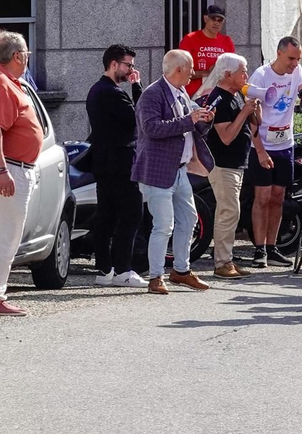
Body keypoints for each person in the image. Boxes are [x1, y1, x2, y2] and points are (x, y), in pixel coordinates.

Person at [133, 49, 216, 295]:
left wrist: (205, 119)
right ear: (178, 69)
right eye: (190, 68)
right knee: (163, 225)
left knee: (189, 219)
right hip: (158, 170)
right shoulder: (152, 94)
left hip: (179, 170)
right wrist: (189, 120)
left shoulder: (180, 92)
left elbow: (192, 127)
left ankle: (181, 270)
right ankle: (156, 276)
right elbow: (151, 129)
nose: (194, 72)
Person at [246, 37, 302, 267]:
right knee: (262, 197)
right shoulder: (261, 76)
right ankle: (259, 249)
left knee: (279, 197)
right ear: (279, 53)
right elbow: (251, 116)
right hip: (262, 143)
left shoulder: (296, 72)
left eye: (298, 59)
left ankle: (272, 247)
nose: (294, 63)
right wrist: (259, 151)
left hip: (285, 144)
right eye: (291, 58)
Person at [0, 31, 43, 315]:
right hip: (5, 168)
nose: (28, 58)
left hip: (7, 166)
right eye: (27, 53)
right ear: (17, 56)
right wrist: (1, 170)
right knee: (2, 234)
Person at [86, 44, 147, 287]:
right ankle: (123, 269)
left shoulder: (96, 90)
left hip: (105, 160)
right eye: (128, 65)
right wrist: (137, 86)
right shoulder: (112, 92)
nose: (131, 70)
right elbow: (140, 117)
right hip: (119, 160)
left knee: (107, 216)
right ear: (114, 64)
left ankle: (104, 269)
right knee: (132, 213)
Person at [199, 53, 258, 278]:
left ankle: (227, 260)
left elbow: (254, 125)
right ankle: (222, 263)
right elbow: (225, 136)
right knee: (228, 211)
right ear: (228, 74)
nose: (247, 75)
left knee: (232, 211)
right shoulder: (219, 99)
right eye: (243, 71)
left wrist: (253, 111)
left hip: (236, 164)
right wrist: (244, 112)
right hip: (223, 164)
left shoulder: (235, 96)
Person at [177, 4, 233, 96]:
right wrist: (206, 73)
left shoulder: (227, 41)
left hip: (218, 96)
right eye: (213, 19)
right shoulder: (190, 39)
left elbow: (233, 69)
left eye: (220, 20)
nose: (216, 23)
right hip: (193, 95)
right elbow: (180, 70)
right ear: (205, 18)